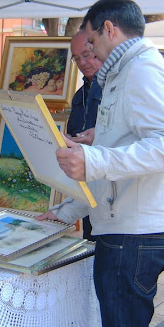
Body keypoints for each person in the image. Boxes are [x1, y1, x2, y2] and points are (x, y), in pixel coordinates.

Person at [38, 0, 164, 327]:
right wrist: (95, 148)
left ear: (109, 29)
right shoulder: (127, 71)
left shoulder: (141, 70)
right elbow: (126, 149)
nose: (90, 52)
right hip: (125, 231)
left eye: (91, 42)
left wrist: (97, 157)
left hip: (133, 236)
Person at [65, 30, 103, 240]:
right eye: (76, 58)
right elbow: (75, 129)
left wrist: (98, 137)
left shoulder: (114, 89)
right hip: (86, 184)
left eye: (86, 54)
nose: (82, 62)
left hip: (110, 188)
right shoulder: (79, 94)